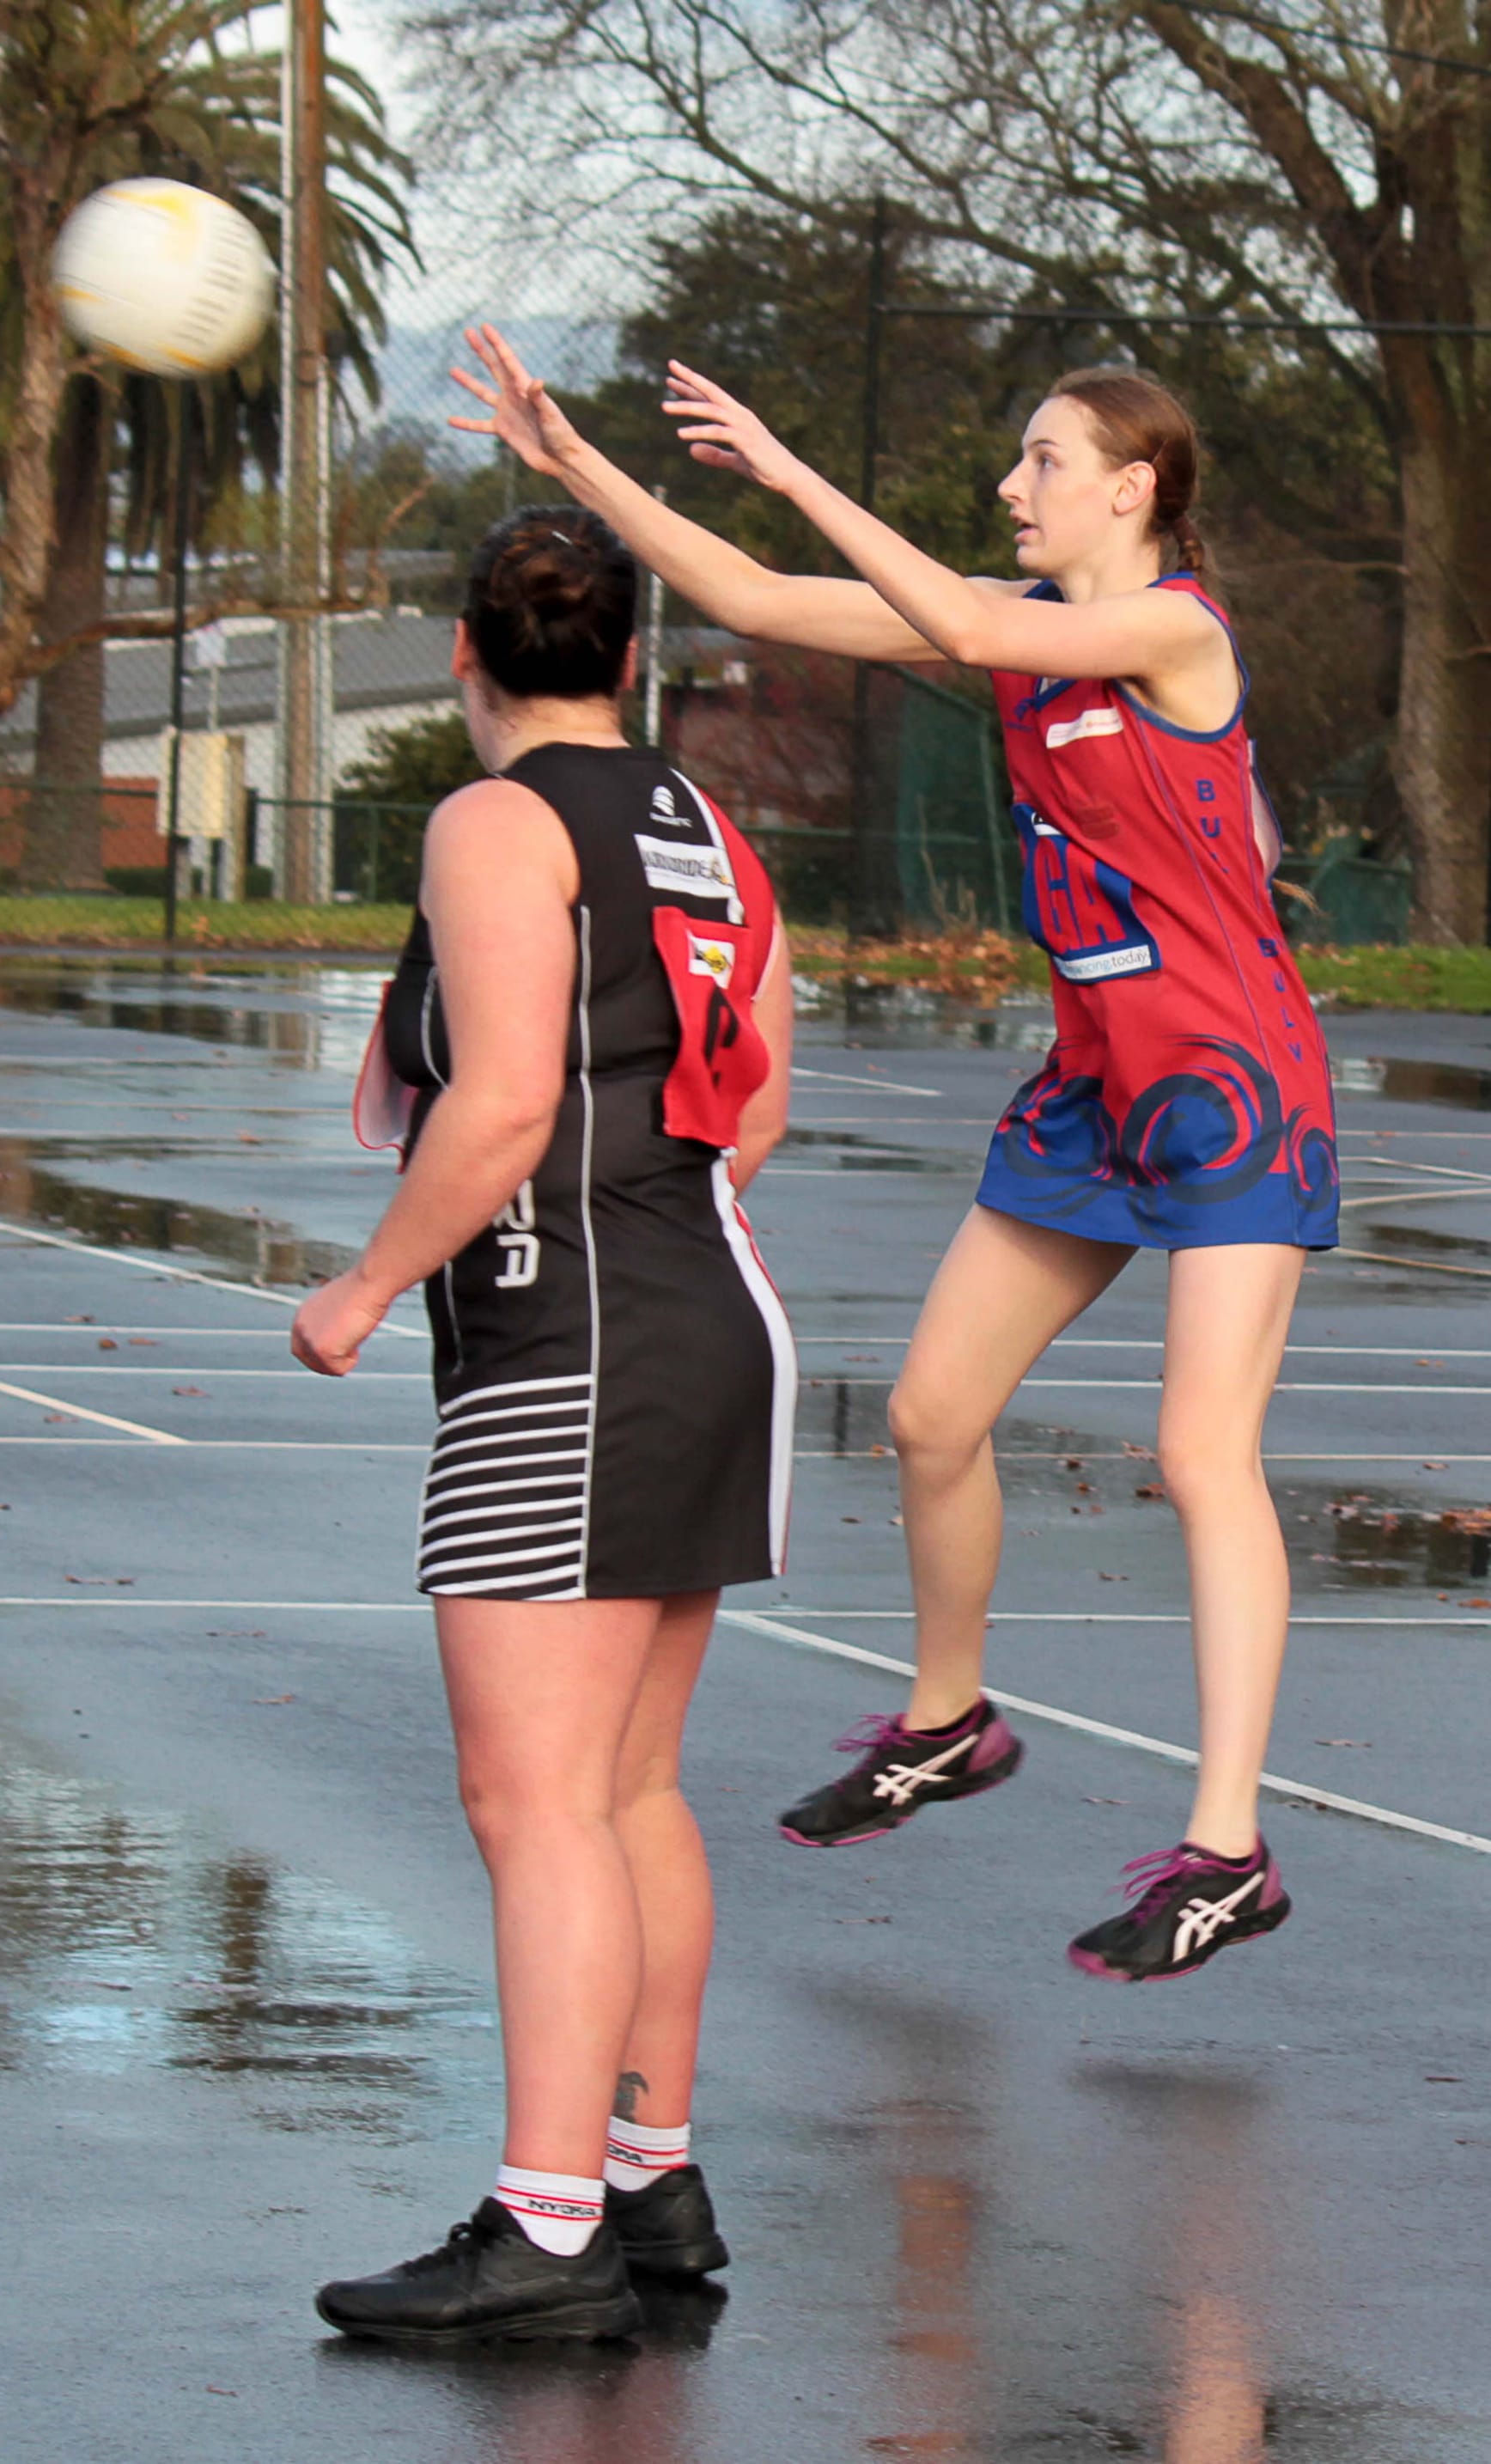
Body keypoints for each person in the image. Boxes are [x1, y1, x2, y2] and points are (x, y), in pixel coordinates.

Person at [451, 326, 1336, 1985]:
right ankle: (951, 1718)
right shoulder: (1025, 653)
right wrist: (572, 463)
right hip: (1094, 1090)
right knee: (933, 1415)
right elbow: (770, 602)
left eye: (1045, 462)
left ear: (1135, 489)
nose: (1016, 486)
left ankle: (1231, 1851)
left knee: (1202, 1454)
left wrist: (794, 467)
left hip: (1232, 1089)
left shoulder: (1170, 629)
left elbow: (973, 614)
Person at [291, 504, 796, 2341]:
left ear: (461, 654)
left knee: (530, 1803)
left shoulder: (496, 823)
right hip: (705, 1314)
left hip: (570, 1342)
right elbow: (750, 1109)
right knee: (628, 1787)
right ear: (639, 656)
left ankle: (549, 2223)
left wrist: (359, 1290)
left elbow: (497, 1106)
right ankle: (648, 2185)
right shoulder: (706, 830)